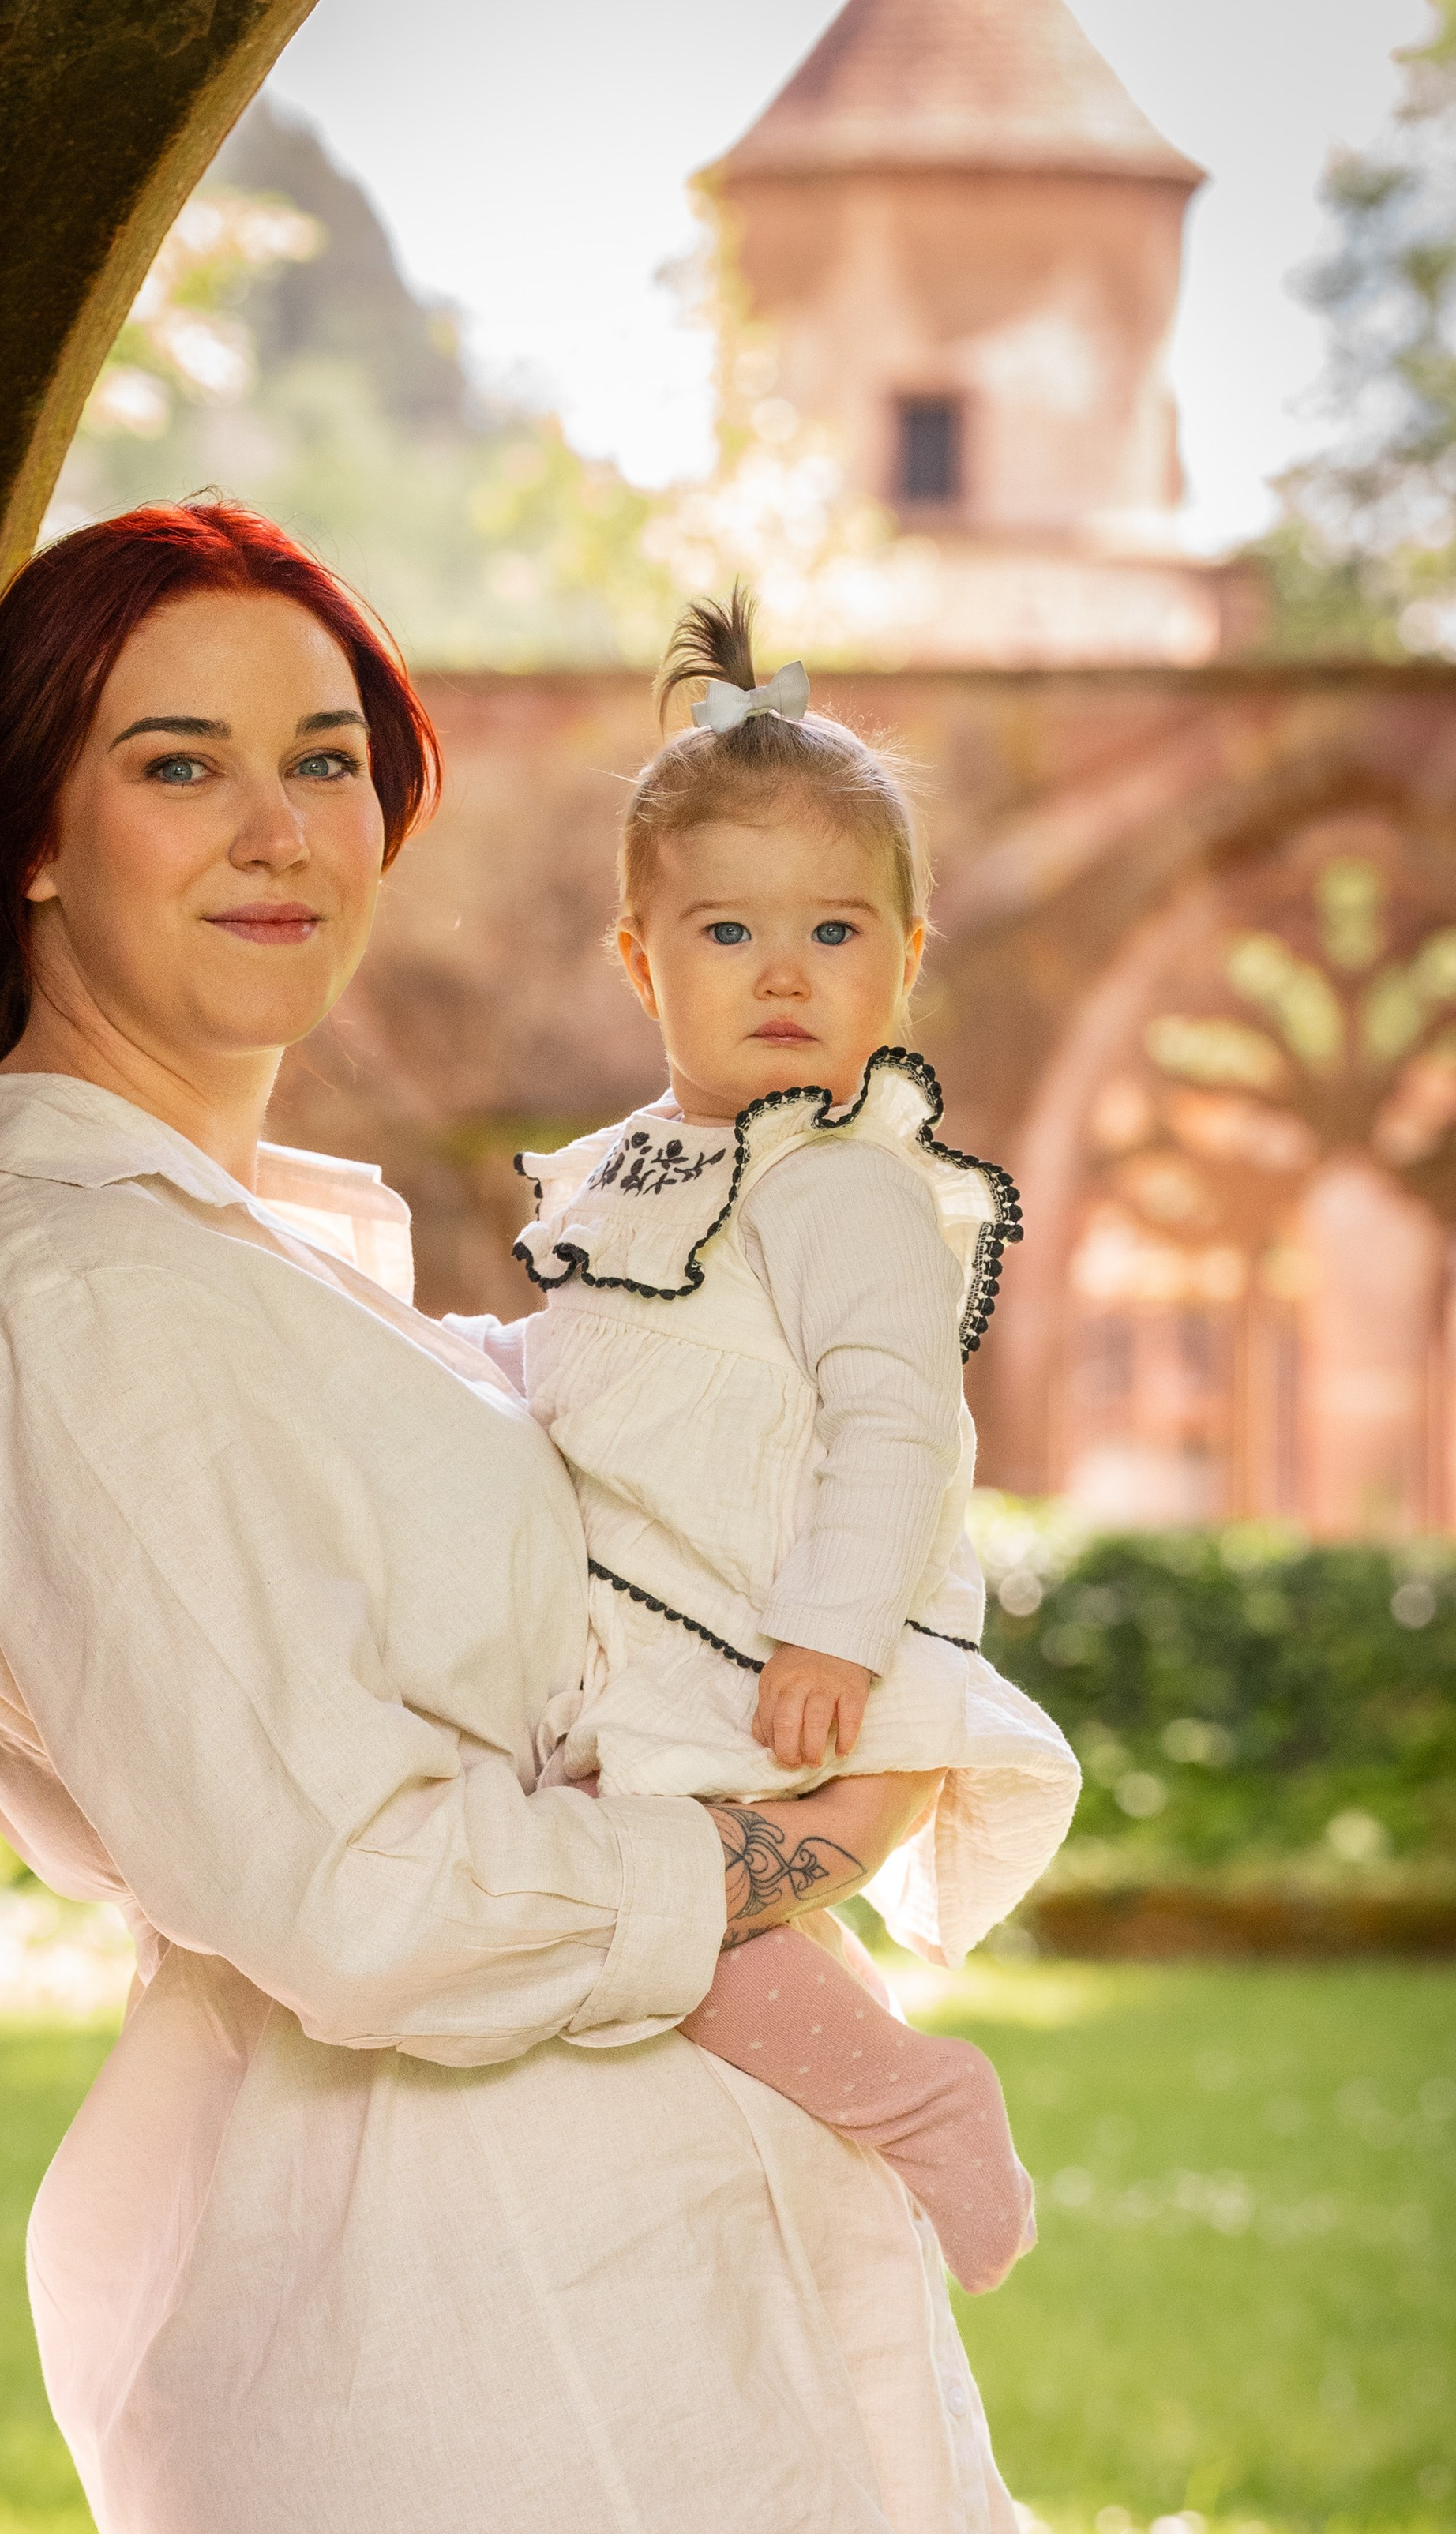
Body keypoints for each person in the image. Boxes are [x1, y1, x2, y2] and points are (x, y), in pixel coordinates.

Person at [0, 501, 1135, 2534]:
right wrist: (770, 1862)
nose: (275, 828)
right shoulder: (68, 1295)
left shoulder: (249, 1259)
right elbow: (355, 1892)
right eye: (178, 763)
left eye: (327, 760)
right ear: (32, 835)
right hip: (471, 2311)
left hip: (623, 2292)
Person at [444, 591, 1082, 2289]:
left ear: (905, 959)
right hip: (662, 1626)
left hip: (773, 1647)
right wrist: (453, 1362)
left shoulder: (841, 1184)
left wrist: (832, 1631)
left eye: (833, 931)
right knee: (650, 1917)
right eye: (726, 931)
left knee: (671, 1911)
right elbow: (586, 1357)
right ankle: (787, 2155)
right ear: (639, 961)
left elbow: (895, 1423)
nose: (784, 973)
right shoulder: (634, 1169)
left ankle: (921, 2104)